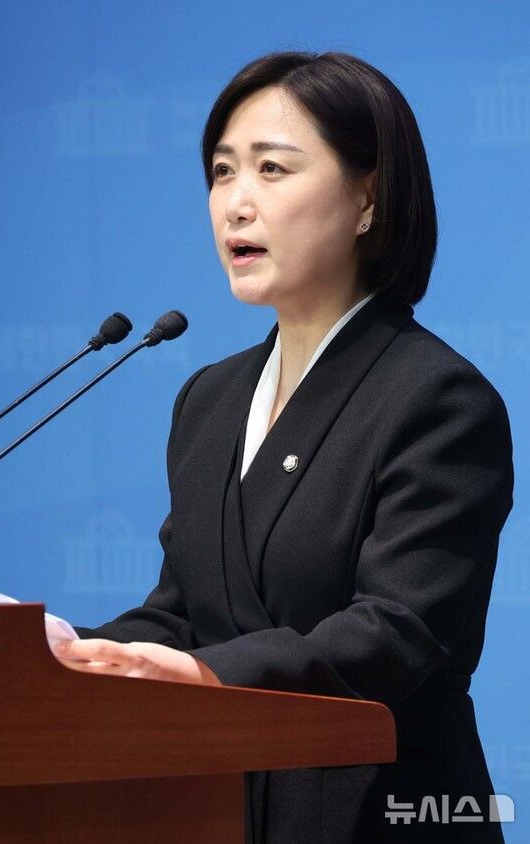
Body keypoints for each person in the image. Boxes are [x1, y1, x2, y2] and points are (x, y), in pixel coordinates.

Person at [55, 51, 514, 843]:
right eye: (222, 171)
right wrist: (62, 650)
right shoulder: (209, 399)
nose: (236, 203)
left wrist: (209, 672)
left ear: (367, 198)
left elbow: (395, 632)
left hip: (383, 813)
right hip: (224, 808)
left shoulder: (438, 398)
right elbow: (182, 616)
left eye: (272, 169)